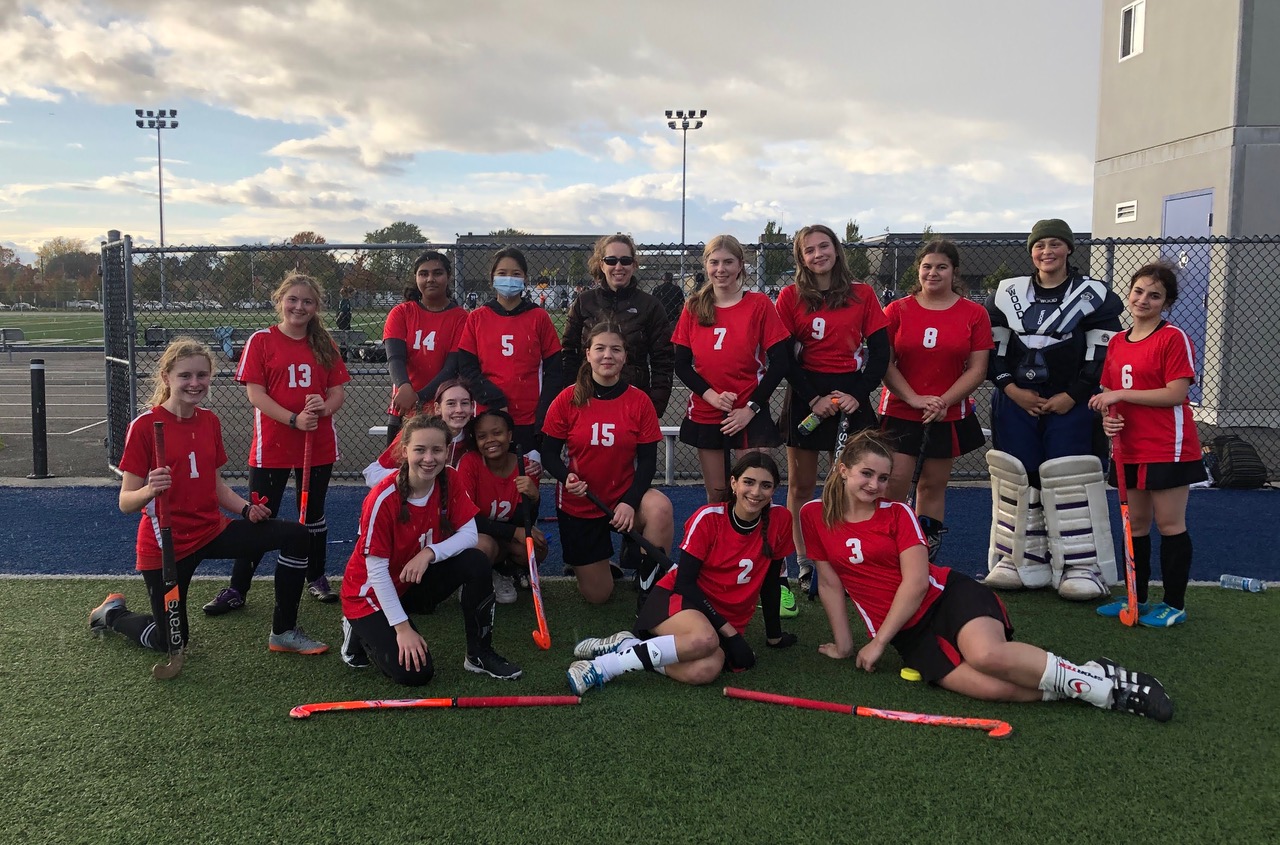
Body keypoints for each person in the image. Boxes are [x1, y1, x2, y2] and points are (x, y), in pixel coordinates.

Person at [799, 431, 1173, 722]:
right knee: (995, 690)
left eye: (883, 478)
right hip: (908, 634)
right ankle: (1085, 677)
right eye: (867, 473)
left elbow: (915, 583)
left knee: (987, 655)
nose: (875, 485)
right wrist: (844, 645)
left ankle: (1112, 691)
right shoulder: (814, 515)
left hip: (945, 599)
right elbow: (831, 583)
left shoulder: (897, 513)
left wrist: (878, 643)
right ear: (842, 468)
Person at [90, 338, 328, 656]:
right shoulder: (145, 427)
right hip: (167, 545)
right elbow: (126, 502)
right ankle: (113, 614)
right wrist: (150, 489)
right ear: (166, 377)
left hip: (210, 531)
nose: (195, 383)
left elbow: (215, 488)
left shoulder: (209, 421)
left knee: (298, 536)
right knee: (171, 642)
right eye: (185, 376)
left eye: (202, 375)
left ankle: (283, 632)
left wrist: (246, 509)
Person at [566, 452, 797, 694]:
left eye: (766, 485)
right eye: (749, 482)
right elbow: (685, 584)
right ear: (734, 483)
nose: (756, 492)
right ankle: (602, 667)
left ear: (775, 490)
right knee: (705, 639)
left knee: (707, 669)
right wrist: (729, 634)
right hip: (680, 601)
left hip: (724, 616)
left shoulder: (780, 520)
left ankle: (629, 646)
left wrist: (774, 637)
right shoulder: (708, 519)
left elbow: (771, 582)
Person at [985, 219, 1124, 600]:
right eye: (1040, 245)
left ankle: (1082, 564)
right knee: (1017, 475)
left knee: (1071, 475)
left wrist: (1074, 395)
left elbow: (1101, 355)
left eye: (1055, 244)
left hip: (1071, 402)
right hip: (1017, 400)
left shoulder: (1094, 295)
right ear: (1031, 251)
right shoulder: (1006, 293)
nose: (1047, 252)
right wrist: (1012, 390)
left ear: (1069, 249)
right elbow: (991, 353)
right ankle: (1019, 558)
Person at [204, 272, 350, 615]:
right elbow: (256, 394)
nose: (300, 306)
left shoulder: (324, 342)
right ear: (280, 301)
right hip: (272, 447)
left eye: (308, 301)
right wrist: (293, 419)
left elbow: (337, 391)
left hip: (318, 445)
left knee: (313, 514)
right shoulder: (262, 340)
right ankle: (238, 587)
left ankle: (316, 576)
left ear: (316, 307)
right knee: (259, 515)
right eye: (293, 299)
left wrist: (323, 407)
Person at [339, 414, 522, 683]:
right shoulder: (382, 497)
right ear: (404, 452)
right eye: (420, 450)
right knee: (416, 674)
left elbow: (470, 534)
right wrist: (402, 628)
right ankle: (358, 629)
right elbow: (376, 570)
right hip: (370, 594)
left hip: (411, 581)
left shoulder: (450, 479)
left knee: (476, 560)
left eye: (437, 450)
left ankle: (479, 654)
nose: (429, 458)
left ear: (447, 452)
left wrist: (429, 553)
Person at [1088, 262, 1206, 628]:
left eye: (1154, 295)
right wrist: (1109, 416)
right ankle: (1136, 595)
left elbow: (1176, 393)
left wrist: (1123, 393)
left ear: (1165, 302)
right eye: (1139, 291)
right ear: (1130, 293)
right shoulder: (1118, 341)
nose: (1144, 300)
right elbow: (1110, 392)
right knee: (1134, 524)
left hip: (1167, 446)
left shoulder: (1173, 338)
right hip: (1129, 446)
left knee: (1169, 524)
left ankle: (1174, 602)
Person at [777, 223, 888, 603]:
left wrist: (857, 394)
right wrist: (812, 399)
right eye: (809, 250)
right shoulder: (790, 297)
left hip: (850, 393)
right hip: (808, 394)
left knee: (848, 481)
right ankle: (805, 561)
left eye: (824, 246)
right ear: (801, 258)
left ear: (836, 250)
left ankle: (844, 554)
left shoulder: (863, 294)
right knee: (800, 484)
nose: (818, 254)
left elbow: (881, 354)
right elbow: (784, 360)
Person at [542, 319, 674, 606]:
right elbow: (549, 454)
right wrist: (567, 478)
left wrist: (629, 501)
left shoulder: (639, 402)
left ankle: (649, 583)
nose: (607, 356)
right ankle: (605, 561)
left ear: (625, 356)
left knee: (660, 507)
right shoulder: (567, 400)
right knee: (599, 595)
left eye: (616, 349)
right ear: (587, 353)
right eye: (600, 348)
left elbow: (648, 462)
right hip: (581, 504)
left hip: (623, 500)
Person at [880, 240, 992, 562]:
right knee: (894, 482)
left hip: (946, 412)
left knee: (932, 484)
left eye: (941, 266)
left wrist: (941, 401)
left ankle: (922, 551)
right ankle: (886, 546)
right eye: (927, 266)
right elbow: (885, 364)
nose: (933, 272)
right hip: (902, 408)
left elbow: (978, 369)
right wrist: (914, 398)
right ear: (919, 269)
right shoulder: (897, 310)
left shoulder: (974, 313)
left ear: (954, 271)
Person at [672, 235, 790, 503]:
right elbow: (681, 364)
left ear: (740, 265)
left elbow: (780, 362)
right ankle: (722, 544)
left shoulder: (759, 304)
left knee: (754, 495)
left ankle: (758, 545)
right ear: (706, 265)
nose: (721, 269)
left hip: (750, 409)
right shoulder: (693, 306)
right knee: (718, 495)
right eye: (714, 262)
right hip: (707, 409)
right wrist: (711, 395)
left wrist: (750, 409)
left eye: (728, 262)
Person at [457, 247, 562, 462]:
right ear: (492, 278)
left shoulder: (539, 317)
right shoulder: (477, 317)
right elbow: (467, 368)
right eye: (502, 273)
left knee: (525, 484)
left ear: (524, 278)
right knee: (488, 480)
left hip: (528, 419)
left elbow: (554, 370)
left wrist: (543, 416)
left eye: (516, 274)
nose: (509, 279)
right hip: (489, 416)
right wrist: (493, 398)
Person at [561, 234, 675, 418]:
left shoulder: (650, 306)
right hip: (587, 400)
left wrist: (654, 408)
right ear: (601, 264)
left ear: (634, 264)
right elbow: (568, 352)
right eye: (611, 260)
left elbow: (663, 360)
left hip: (633, 404)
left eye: (625, 260)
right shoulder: (584, 302)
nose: (618, 267)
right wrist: (571, 397)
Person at [457, 407, 548, 604]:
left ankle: (506, 571)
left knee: (537, 547)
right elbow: (467, 519)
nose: (490, 440)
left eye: (497, 433)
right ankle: (476, 577)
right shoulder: (470, 463)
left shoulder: (526, 467)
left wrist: (534, 499)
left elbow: (525, 520)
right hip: (478, 533)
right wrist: (515, 533)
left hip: (505, 533)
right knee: (482, 546)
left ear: (510, 435)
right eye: (482, 436)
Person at [382, 251, 468, 447]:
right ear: (416, 278)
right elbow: (395, 358)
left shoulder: (460, 318)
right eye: (423, 274)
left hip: (442, 409)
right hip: (403, 407)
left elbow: (451, 368)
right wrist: (404, 387)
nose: (430, 279)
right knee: (400, 469)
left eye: (437, 273)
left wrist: (419, 398)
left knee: (437, 467)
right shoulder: (402, 313)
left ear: (448, 276)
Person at [363, 379, 475, 488]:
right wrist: (412, 477)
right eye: (451, 403)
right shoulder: (418, 432)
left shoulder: (476, 437)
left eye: (464, 403)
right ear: (438, 408)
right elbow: (372, 473)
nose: (459, 409)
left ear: (472, 407)